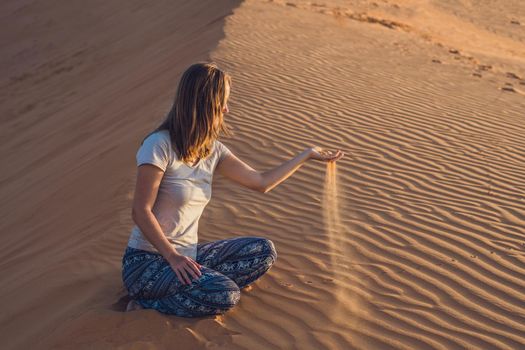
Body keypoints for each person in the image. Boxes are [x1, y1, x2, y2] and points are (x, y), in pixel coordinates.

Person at [121, 62, 344, 317]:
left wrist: (308, 154)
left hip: (188, 256)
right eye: (222, 101)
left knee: (262, 251)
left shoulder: (212, 151)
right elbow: (140, 211)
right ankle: (147, 303)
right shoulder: (158, 146)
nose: (226, 109)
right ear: (204, 102)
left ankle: (191, 287)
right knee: (225, 295)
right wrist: (172, 257)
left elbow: (261, 182)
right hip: (147, 261)